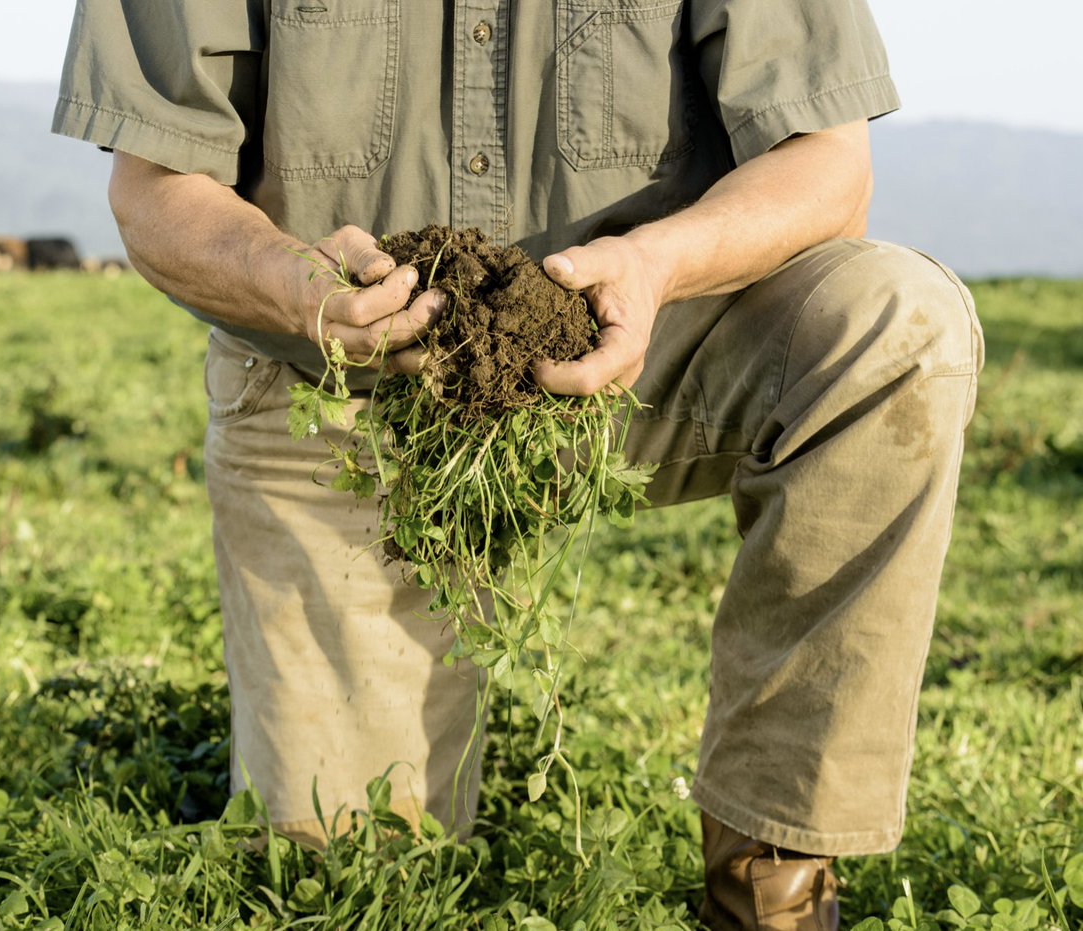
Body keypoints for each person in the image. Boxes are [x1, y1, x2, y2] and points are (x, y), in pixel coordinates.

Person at [54, 2, 983, 928]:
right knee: (350, 879)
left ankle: (770, 880)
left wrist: (654, 264)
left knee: (899, 324)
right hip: (346, 401)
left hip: (648, 348)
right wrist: (305, 292)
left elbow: (827, 165)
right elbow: (155, 186)